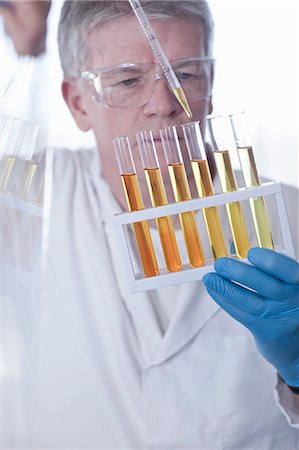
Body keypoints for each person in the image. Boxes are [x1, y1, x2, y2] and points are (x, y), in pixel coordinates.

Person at [1, 1, 299, 448]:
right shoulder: (31, 197)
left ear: (211, 84)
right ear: (77, 104)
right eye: (126, 80)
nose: (163, 105)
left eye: (186, 76)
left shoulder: (289, 214)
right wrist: (27, 54)